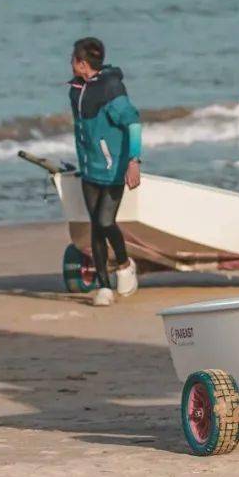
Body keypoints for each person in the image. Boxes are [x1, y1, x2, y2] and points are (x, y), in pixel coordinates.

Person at [69, 37, 142, 306]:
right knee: (95, 229)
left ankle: (124, 265)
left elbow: (133, 123)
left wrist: (134, 161)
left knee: (105, 222)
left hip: (113, 170)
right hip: (89, 170)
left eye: (73, 57)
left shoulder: (112, 88)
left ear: (83, 63)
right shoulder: (76, 89)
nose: (70, 61)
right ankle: (104, 287)